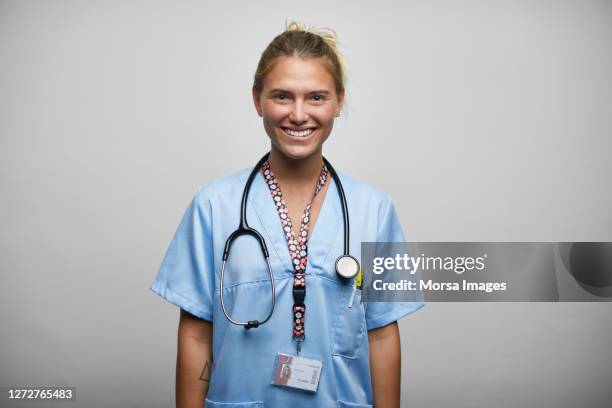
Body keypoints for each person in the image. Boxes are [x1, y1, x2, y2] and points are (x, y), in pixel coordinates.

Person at [150, 21, 424, 408]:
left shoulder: (373, 211)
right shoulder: (213, 206)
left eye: (316, 97)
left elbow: (381, 336)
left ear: (338, 102)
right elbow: (196, 334)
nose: (298, 115)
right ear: (257, 99)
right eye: (282, 96)